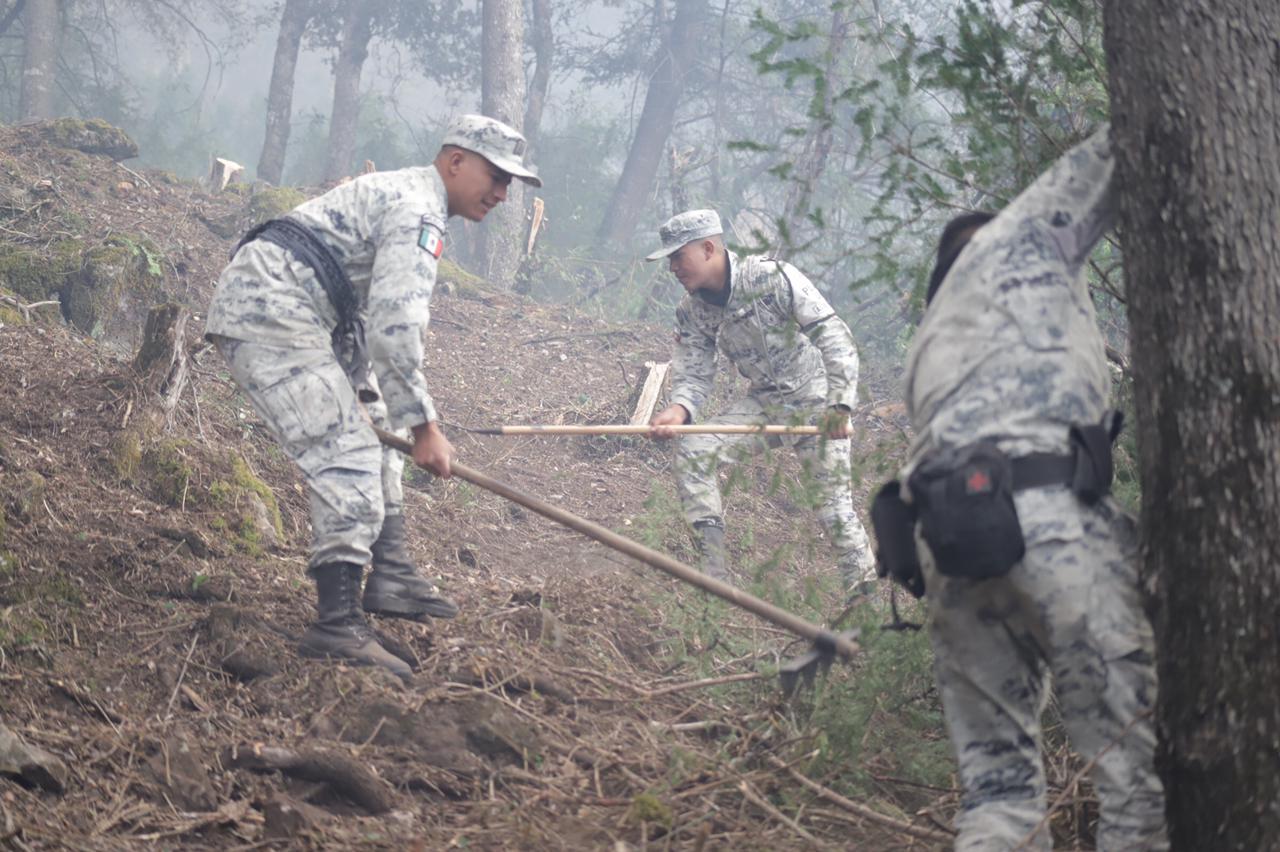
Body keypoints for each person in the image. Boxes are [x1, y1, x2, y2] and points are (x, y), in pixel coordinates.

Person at [891, 126, 1167, 849]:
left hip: (950, 550)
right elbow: (1126, 136)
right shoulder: (1023, 236)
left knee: (998, 793)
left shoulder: (929, 344)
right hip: (1051, 521)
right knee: (1136, 783)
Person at [205, 115, 541, 680]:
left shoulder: (414, 197)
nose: (504, 194)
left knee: (376, 421)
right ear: (456, 161)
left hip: (307, 310)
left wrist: (386, 405)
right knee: (348, 450)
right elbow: (395, 327)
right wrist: (425, 427)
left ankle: (391, 572)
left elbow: (361, 308)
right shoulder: (418, 211)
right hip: (270, 310)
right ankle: (337, 625)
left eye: (511, 182)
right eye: (497, 176)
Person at [645, 209, 876, 592]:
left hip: (817, 401)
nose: (672, 268)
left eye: (678, 256)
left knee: (833, 508)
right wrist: (679, 409)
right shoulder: (691, 311)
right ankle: (713, 574)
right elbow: (694, 371)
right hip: (765, 406)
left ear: (708, 248)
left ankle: (865, 597)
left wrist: (839, 405)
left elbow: (835, 337)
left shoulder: (771, 278)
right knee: (694, 447)